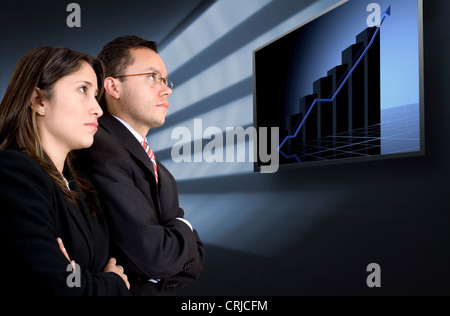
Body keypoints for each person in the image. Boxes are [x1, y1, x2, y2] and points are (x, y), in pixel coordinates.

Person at [74, 35, 205, 296]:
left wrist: (172, 242)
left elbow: (193, 263)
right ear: (113, 86)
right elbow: (155, 255)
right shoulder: (99, 148)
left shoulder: (160, 170)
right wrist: (186, 227)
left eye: (165, 80)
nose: (166, 89)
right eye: (151, 77)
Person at [0, 46, 130, 296]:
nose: (98, 109)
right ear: (39, 101)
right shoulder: (13, 173)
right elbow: (63, 288)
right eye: (83, 90)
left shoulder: (82, 186)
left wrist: (84, 278)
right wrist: (112, 283)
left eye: (96, 95)